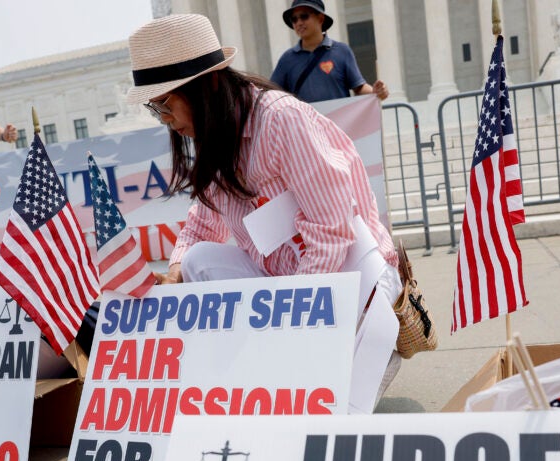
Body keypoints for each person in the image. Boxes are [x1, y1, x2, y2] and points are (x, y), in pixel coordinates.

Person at [126, 14, 402, 400]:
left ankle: (357, 346)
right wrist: (173, 274)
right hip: (283, 279)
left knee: (330, 408)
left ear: (207, 86)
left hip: (349, 274)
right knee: (197, 261)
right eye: (156, 110)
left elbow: (332, 230)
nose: (167, 121)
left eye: (165, 105)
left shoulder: (279, 119)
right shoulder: (216, 137)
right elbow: (202, 227)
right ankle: (264, 359)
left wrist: (291, 322)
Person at [270, 0, 389, 103]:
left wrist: (376, 92)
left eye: (304, 16)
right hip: (305, 127)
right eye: (294, 19)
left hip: (337, 125)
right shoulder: (287, 59)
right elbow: (273, 95)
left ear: (320, 18)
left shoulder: (342, 51)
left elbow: (358, 87)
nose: (299, 23)